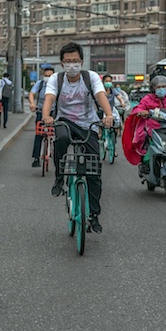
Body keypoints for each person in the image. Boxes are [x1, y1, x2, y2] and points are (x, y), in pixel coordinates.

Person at [41, 42, 114, 233]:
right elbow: (49, 99)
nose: (72, 65)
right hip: (64, 122)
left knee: (94, 170)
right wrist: (46, 116)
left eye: (75, 61)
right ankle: (59, 178)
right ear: (61, 63)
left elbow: (100, 96)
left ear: (81, 61)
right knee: (62, 139)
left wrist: (108, 115)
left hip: (87, 125)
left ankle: (94, 215)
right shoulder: (56, 79)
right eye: (67, 61)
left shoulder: (91, 78)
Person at [122, 75, 166, 173]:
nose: (161, 89)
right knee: (143, 137)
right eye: (158, 87)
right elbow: (139, 108)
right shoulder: (147, 99)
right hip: (152, 128)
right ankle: (144, 163)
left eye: (164, 87)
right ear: (153, 88)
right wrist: (141, 112)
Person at [29, 66, 55, 167]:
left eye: (50, 76)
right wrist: (32, 104)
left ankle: (55, 153)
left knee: (57, 133)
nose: (48, 78)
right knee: (39, 133)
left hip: (54, 112)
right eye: (46, 76)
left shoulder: (58, 85)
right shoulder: (40, 84)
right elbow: (31, 93)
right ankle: (36, 158)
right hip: (40, 111)